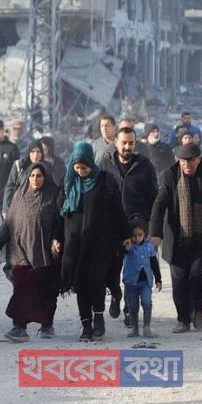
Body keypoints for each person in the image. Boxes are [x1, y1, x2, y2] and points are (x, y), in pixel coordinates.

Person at [58, 142, 130, 341]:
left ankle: (98, 316)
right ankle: (86, 325)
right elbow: (59, 213)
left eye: (84, 167)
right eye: (77, 167)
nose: (81, 171)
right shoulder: (68, 182)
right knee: (80, 284)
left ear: (91, 162)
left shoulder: (105, 180)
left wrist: (125, 235)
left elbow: (117, 210)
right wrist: (56, 237)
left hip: (101, 243)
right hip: (75, 244)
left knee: (97, 280)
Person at [150, 143, 202, 333]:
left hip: (201, 235)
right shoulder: (169, 175)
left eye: (191, 162)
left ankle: (199, 308)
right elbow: (159, 205)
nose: (187, 166)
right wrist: (156, 233)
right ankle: (183, 319)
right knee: (179, 280)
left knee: (196, 275)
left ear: (199, 159)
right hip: (176, 237)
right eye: (183, 162)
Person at [0, 163, 63, 341]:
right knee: (21, 290)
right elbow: (8, 222)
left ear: (45, 177)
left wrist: (57, 238)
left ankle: (46, 324)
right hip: (20, 252)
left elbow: (60, 222)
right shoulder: (19, 196)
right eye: (32, 175)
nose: (35, 179)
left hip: (44, 253)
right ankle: (19, 327)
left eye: (39, 176)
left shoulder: (53, 196)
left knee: (46, 291)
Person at [98, 127, 158, 326]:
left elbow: (154, 198)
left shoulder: (145, 165)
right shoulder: (105, 163)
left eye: (131, 143)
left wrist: (147, 222)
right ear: (115, 142)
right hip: (111, 225)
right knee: (113, 267)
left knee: (135, 269)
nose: (127, 147)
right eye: (123, 142)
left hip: (137, 226)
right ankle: (116, 294)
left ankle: (129, 310)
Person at [122, 217, 161, 338]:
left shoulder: (149, 246)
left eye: (140, 235)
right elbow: (125, 251)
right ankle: (134, 327)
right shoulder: (129, 245)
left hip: (145, 282)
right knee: (132, 306)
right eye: (134, 235)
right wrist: (126, 247)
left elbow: (154, 263)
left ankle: (146, 326)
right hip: (131, 282)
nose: (137, 238)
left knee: (147, 302)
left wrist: (158, 279)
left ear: (145, 234)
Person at [3, 142, 45, 211]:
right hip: (20, 205)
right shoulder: (19, 165)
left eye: (38, 152)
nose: (35, 155)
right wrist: (6, 208)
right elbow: (10, 186)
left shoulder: (46, 167)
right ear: (29, 153)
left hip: (39, 206)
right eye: (33, 151)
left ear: (42, 153)